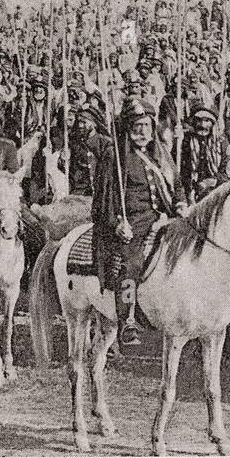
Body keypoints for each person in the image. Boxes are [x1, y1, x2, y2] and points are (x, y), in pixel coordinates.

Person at [92, 97, 188, 346]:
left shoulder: (162, 153)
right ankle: (127, 320)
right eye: (136, 125)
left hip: (164, 217)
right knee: (130, 262)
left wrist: (181, 204)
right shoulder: (115, 156)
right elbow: (103, 202)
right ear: (128, 127)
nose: (142, 130)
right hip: (132, 221)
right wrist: (116, 224)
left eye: (146, 124)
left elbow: (176, 185)